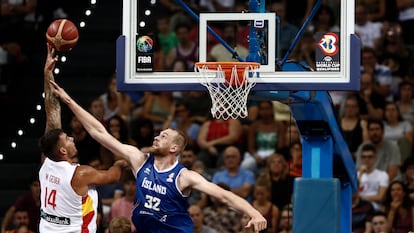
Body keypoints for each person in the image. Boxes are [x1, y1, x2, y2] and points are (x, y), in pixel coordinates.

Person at [50, 80, 268, 233]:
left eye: (163, 136)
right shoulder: (139, 160)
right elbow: (99, 133)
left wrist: (253, 212)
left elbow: (223, 195)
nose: (156, 137)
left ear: (174, 148)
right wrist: (69, 101)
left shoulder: (184, 177)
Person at [38, 44, 129, 233]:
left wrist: (48, 74)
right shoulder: (80, 174)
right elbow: (113, 177)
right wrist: (121, 163)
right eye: (67, 139)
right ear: (63, 151)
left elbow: (52, 111)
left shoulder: (46, 162)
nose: (71, 138)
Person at [357, 143, 389, 211]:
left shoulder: (383, 175)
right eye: (364, 157)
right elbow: (353, 194)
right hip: (358, 208)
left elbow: (380, 197)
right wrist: (360, 174)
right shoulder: (357, 175)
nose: (367, 159)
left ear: (375, 158)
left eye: (370, 157)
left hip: (374, 209)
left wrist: (360, 198)